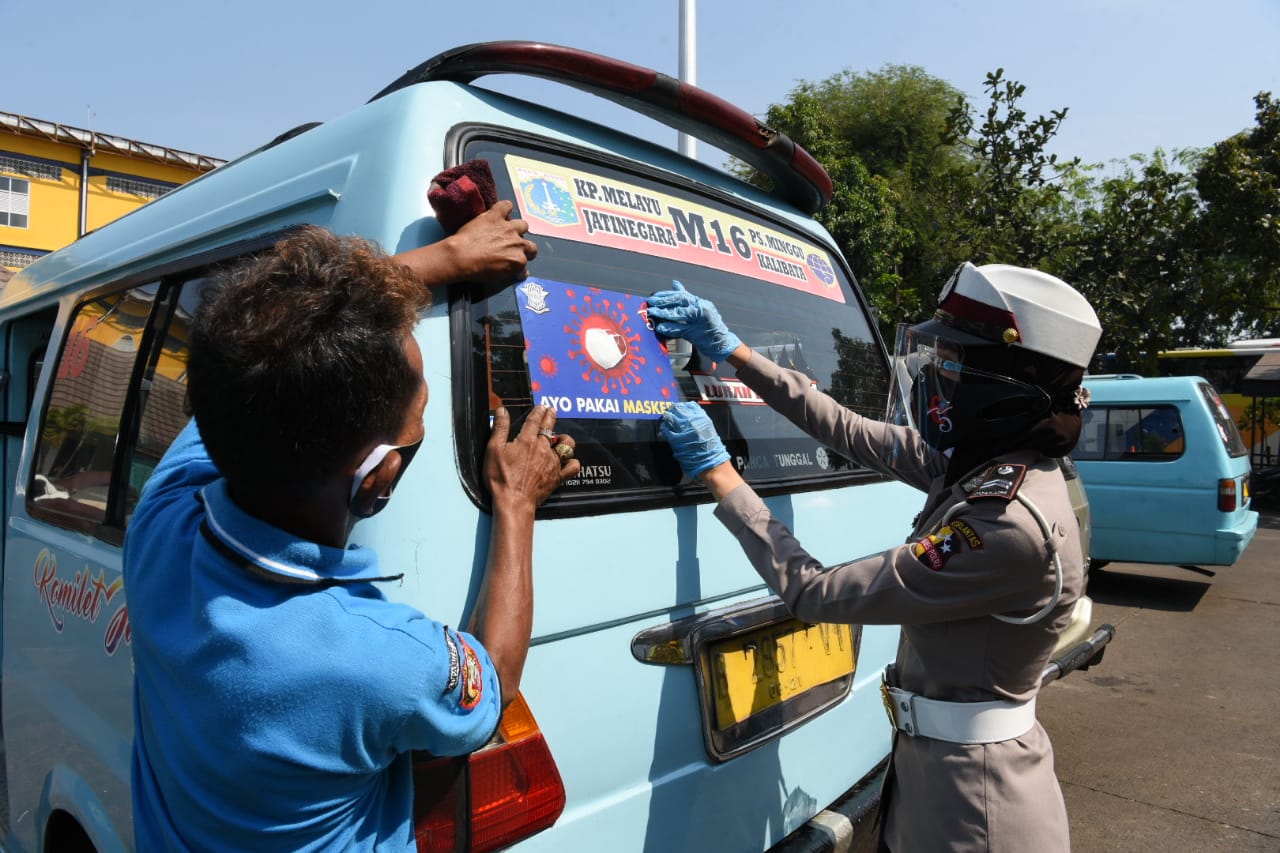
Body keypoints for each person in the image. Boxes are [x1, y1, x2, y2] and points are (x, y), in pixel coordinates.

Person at [123, 204, 581, 851]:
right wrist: (516, 501)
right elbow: (495, 680)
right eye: (419, 422)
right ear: (378, 478)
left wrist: (444, 260)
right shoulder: (376, 656)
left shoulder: (161, 524)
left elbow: (266, 355)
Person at [647, 263, 1102, 852]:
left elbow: (815, 593)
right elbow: (850, 430)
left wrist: (720, 476)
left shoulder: (1009, 521)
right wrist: (734, 351)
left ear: (1005, 384)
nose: (937, 374)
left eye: (954, 361)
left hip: (977, 808)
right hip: (932, 774)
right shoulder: (986, 465)